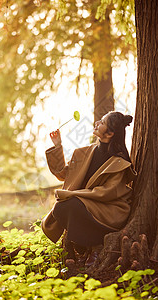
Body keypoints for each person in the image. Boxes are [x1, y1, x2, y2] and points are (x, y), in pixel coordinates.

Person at [41, 111, 137, 267]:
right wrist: (58, 146)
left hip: (108, 208)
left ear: (110, 133)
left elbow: (106, 193)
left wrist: (72, 194)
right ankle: (84, 248)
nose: (97, 122)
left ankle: (96, 247)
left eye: (102, 122)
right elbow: (62, 174)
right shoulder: (83, 153)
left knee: (71, 204)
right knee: (61, 207)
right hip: (83, 204)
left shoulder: (119, 162)